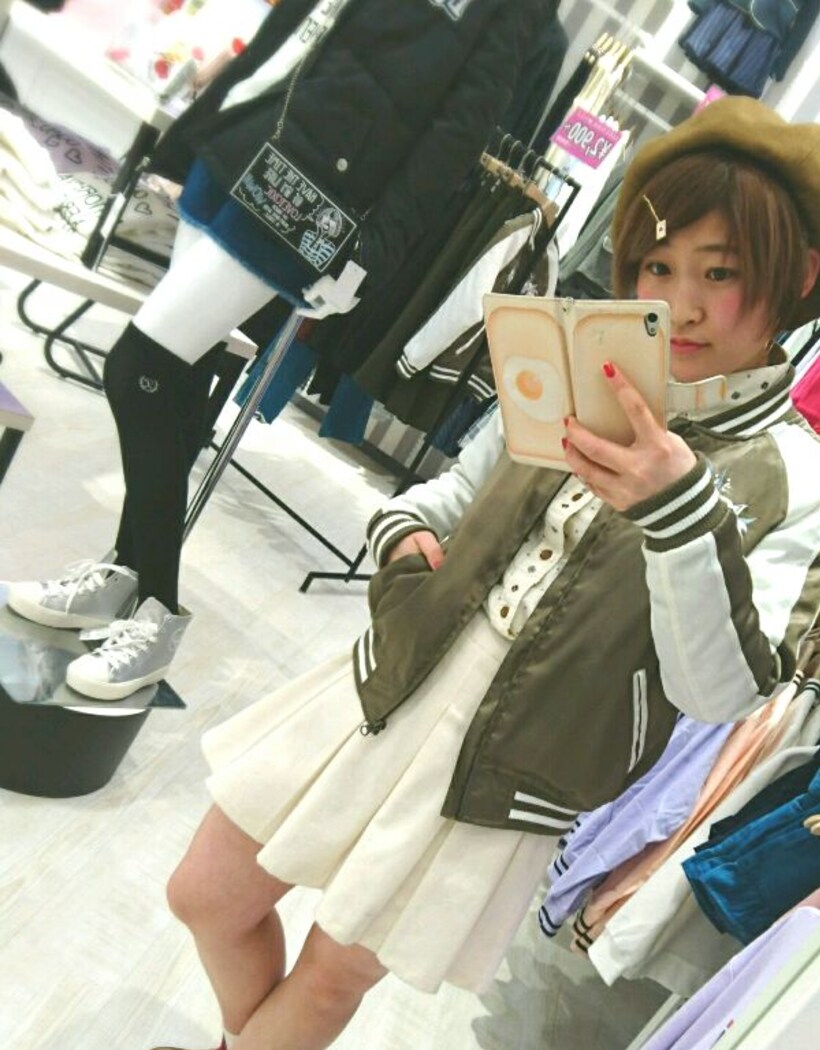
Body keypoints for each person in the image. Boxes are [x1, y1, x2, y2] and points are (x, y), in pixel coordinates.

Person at [86, 96, 820, 1050]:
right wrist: (403, 535)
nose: (681, 302)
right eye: (657, 265)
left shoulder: (800, 480)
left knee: (339, 968)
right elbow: (449, 490)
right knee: (207, 889)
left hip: (516, 771)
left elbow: (725, 694)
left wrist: (677, 514)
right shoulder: (582, 355)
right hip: (395, 681)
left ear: (794, 279)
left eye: (722, 272)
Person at [5, 0, 555, 700]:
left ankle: (157, 612)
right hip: (242, 137)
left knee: (138, 366)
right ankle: (122, 574)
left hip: (309, 194)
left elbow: (456, 137)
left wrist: (373, 253)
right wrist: (209, 113)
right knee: (179, 375)